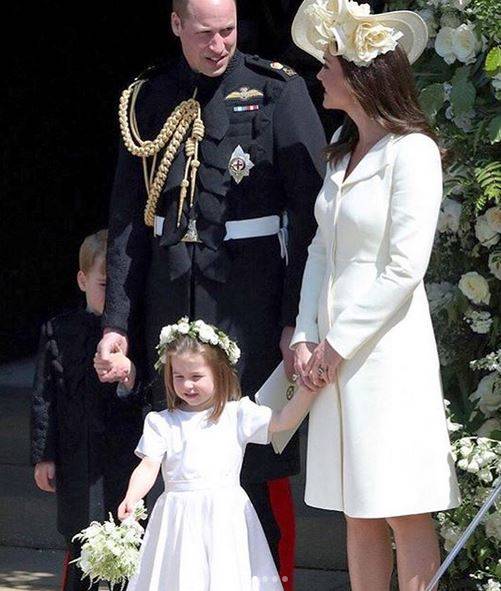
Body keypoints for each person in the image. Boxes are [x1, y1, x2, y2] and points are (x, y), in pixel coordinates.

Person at [96, 0, 326, 580]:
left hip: (250, 306)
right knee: (169, 465)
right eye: (204, 33)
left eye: (228, 31)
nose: (219, 45)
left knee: (255, 471)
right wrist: (117, 322)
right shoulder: (148, 98)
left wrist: (296, 318)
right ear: (176, 25)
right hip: (171, 302)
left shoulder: (276, 90)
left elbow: (310, 219)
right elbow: (128, 222)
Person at [289, 1, 461, 590]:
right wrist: (306, 333)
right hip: (333, 355)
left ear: (361, 75)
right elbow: (319, 250)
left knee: (400, 502)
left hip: (384, 354)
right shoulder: (342, 149)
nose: (319, 74)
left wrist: (337, 342)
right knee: (356, 504)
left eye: (328, 64)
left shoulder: (412, 151)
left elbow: (404, 268)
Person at [104, 318, 318, 591]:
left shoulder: (237, 414)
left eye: (196, 377)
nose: (187, 385)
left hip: (224, 516)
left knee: (225, 576)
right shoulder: (162, 422)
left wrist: (309, 387)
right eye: (178, 377)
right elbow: (148, 465)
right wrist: (132, 497)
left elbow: (284, 420)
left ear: (219, 373)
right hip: (177, 518)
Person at [30, 230, 144, 591]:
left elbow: (149, 392)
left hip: (124, 457)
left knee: (127, 545)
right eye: (104, 285)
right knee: (81, 543)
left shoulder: (137, 333)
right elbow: (44, 397)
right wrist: (44, 456)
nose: (112, 296)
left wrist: (129, 375)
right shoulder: (58, 330)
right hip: (77, 457)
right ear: (83, 280)